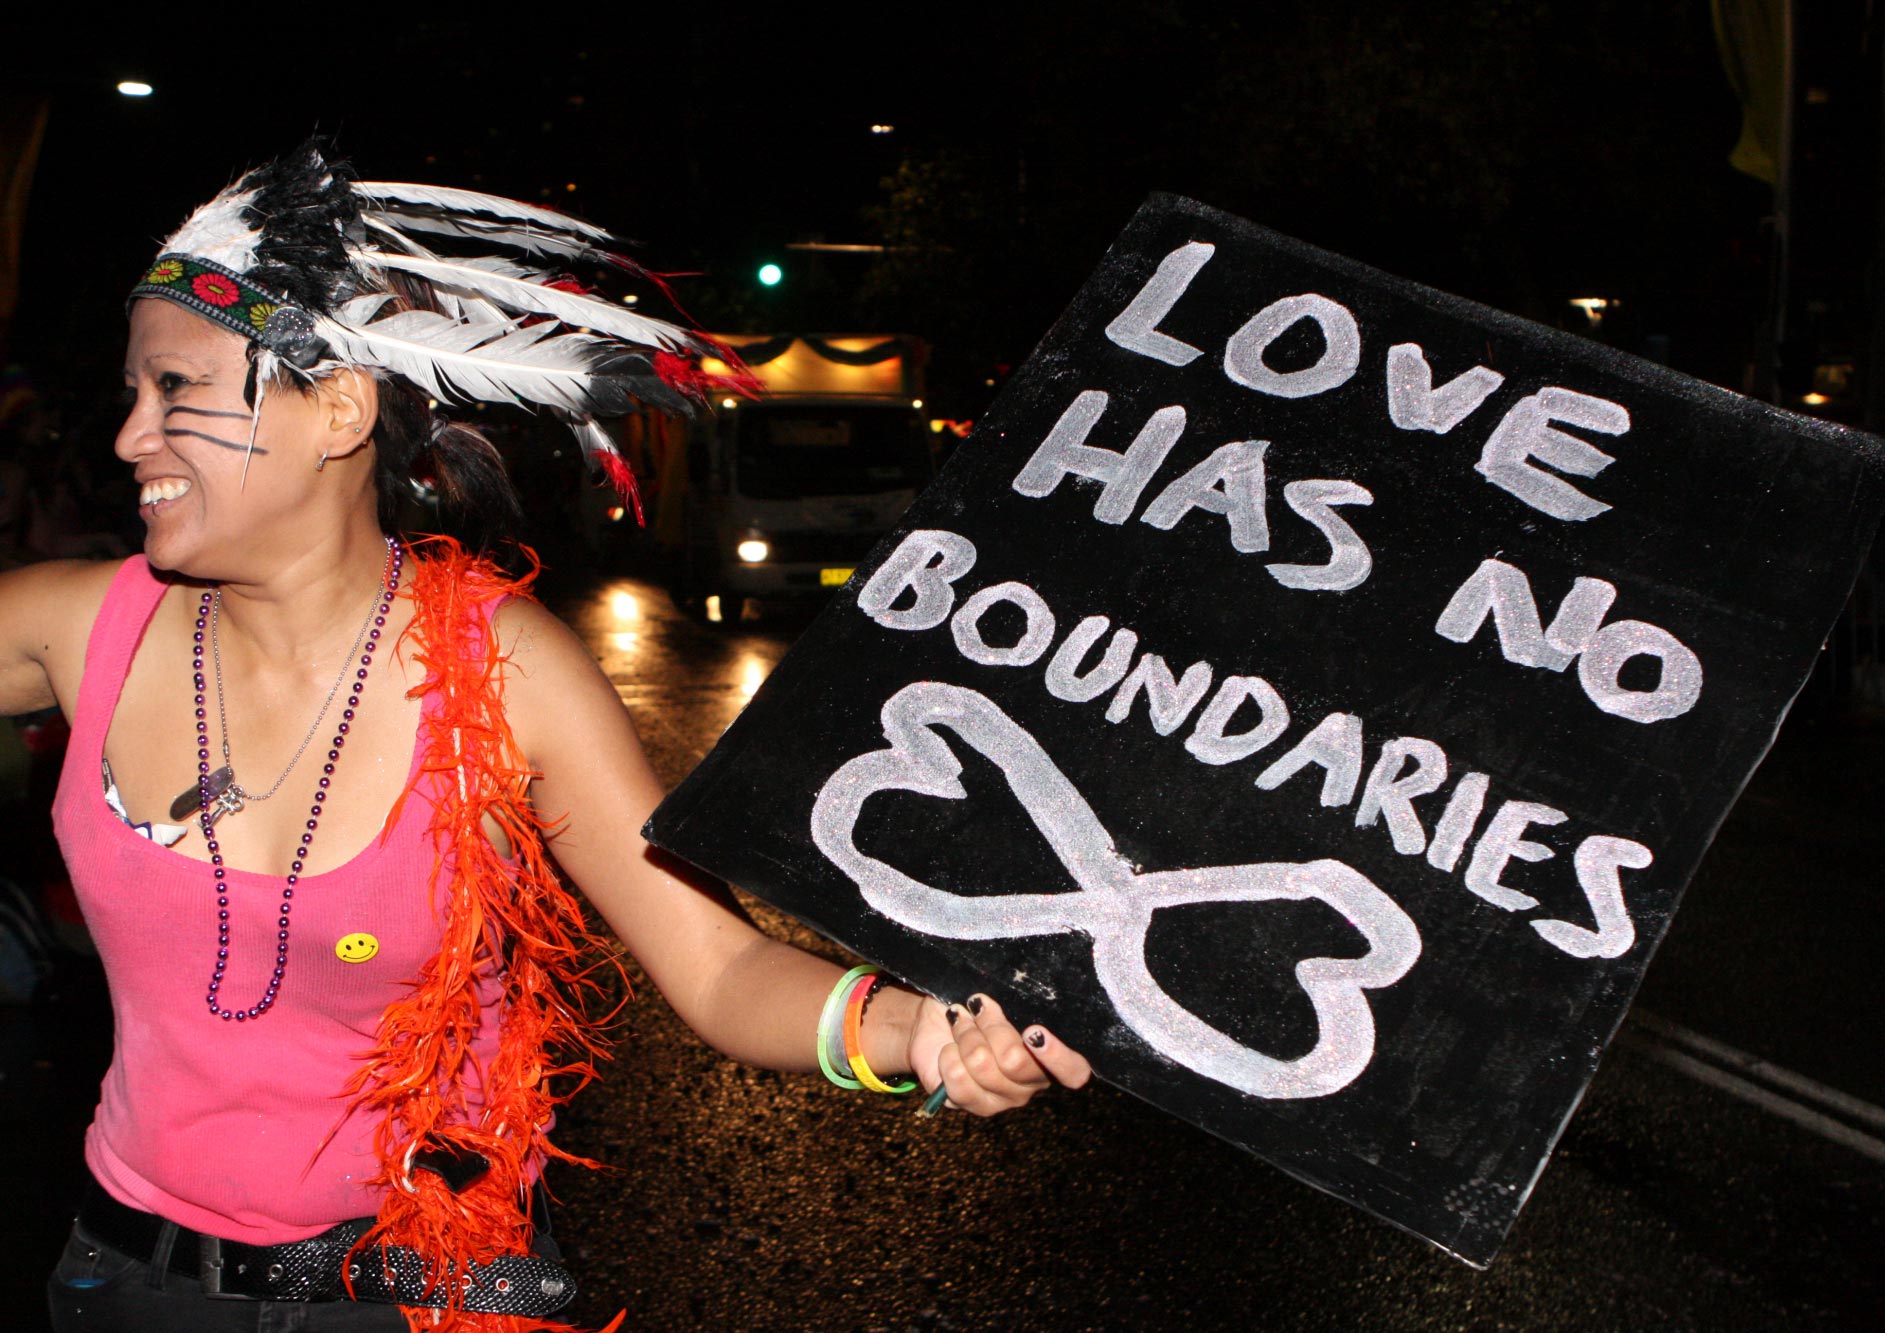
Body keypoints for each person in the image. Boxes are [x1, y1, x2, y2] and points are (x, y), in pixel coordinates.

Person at [11, 140, 1089, 1332]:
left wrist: (915, 1031)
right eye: (132, 395)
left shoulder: (504, 669)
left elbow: (720, 966)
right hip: (125, 1284)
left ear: (335, 406)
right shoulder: (78, 628)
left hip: (433, 1289)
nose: (129, 439)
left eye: (176, 391)